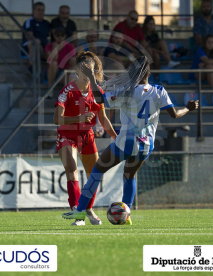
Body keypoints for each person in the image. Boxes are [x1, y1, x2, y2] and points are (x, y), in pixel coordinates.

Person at [62, 57, 199, 224]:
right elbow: (175, 114)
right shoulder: (159, 90)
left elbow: (99, 99)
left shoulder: (126, 91)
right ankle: (126, 215)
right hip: (146, 145)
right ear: (149, 72)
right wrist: (188, 108)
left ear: (131, 73)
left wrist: (91, 78)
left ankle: (80, 210)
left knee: (97, 170)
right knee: (130, 175)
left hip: (125, 142)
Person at [54, 51, 117, 226]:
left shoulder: (97, 92)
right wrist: (79, 119)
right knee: (72, 169)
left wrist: (115, 137)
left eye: (92, 70)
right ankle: (77, 212)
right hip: (67, 135)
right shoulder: (67, 91)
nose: (89, 73)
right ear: (77, 71)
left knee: (95, 174)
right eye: (85, 69)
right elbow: (56, 119)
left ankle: (88, 209)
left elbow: (103, 119)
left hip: (87, 136)